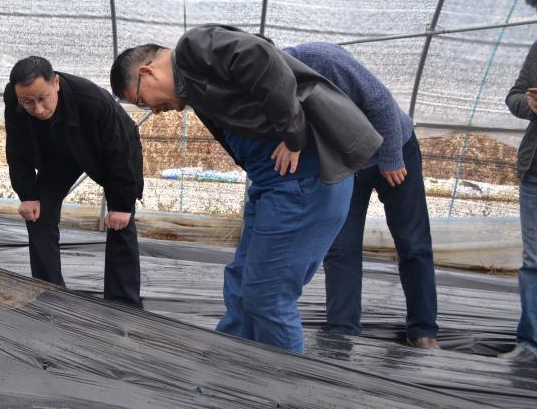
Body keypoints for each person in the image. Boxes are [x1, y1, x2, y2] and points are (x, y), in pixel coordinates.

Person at [110, 24, 382, 352]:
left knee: (268, 297)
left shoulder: (193, 48)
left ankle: (282, 378)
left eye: (142, 101)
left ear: (147, 72)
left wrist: (293, 134)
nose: (153, 111)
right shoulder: (196, 84)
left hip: (301, 183)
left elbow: (259, 54)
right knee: (240, 285)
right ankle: (230, 364)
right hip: (272, 185)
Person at [281, 42, 439, 350]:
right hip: (345, 164)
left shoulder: (321, 59)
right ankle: (343, 330)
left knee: (412, 242)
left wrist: (391, 157)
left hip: (392, 151)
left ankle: (423, 330)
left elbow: (380, 101)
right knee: (340, 247)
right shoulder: (268, 88)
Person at [4, 56, 144, 307]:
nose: (38, 109)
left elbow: (119, 152)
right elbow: (16, 146)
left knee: (120, 221)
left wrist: (122, 204)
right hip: (58, 154)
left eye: (43, 98)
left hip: (107, 150)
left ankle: (123, 303)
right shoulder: (14, 97)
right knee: (38, 214)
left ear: (56, 83)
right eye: (28, 102)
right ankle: (49, 293)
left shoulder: (92, 101)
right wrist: (27, 194)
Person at [502, 0, 537, 362]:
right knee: (534, 261)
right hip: (534, 171)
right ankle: (529, 344)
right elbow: (513, 95)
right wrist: (528, 105)